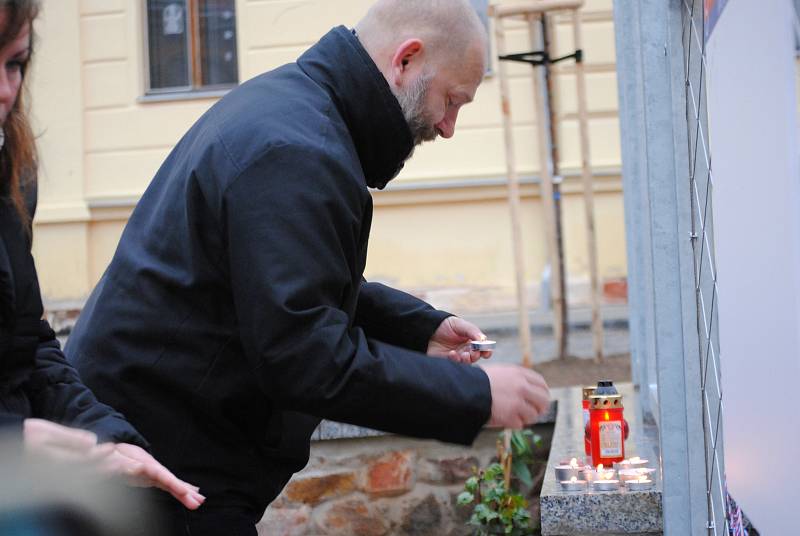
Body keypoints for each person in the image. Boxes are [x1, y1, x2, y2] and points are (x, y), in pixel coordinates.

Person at [67, 0, 551, 533]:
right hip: (156, 471)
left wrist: (419, 330)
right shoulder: (297, 150)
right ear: (406, 60)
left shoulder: (296, 112)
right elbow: (303, 355)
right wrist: (475, 396)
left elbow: (290, 283)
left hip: (163, 453)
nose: (449, 125)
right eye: (452, 99)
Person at [0, 0, 204, 512]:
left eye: (14, 64)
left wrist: (104, 434)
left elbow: (27, 347)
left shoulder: (13, 173)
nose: (5, 92)